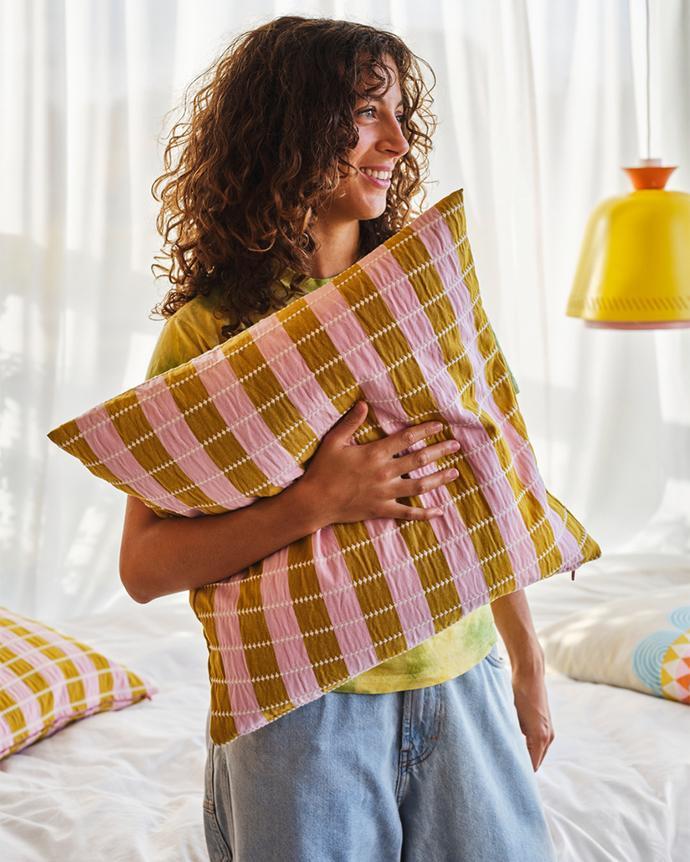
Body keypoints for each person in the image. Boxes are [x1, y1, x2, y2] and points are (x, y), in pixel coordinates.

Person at [119, 15, 556, 862]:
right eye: (364, 111)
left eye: (400, 115)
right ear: (287, 128)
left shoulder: (424, 295)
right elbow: (144, 568)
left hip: (462, 682)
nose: (396, 141)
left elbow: (485, 489)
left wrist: (528, 663)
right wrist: (315, 502)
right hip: (299, 710)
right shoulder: (211, 333)